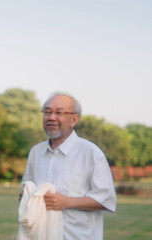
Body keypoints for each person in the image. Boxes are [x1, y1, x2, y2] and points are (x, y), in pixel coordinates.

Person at [19, 92, 116, 239]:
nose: (51, 117)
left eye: (59, 112)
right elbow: (26, 191)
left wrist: (67, 202)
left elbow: (106, 198)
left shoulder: (91, 153)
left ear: (74, 119)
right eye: (47, 112)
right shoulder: (36, 152)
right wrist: (28, 196)